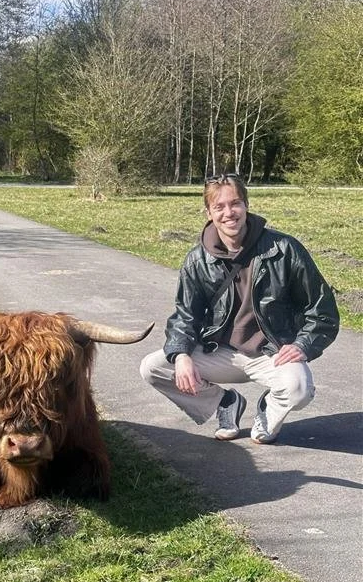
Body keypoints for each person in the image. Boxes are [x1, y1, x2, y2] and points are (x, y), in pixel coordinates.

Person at [140, 173, 340, 444]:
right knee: (153, 368)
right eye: (219, 206)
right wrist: (181, 355)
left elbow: (322, 311)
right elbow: (185, 316)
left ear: (246, 205)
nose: (229, 213)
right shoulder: (197, 260)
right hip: (218, 353)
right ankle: (225, 403)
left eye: (235, 203)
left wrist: (303, 345)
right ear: (208, 212)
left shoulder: (284, 250)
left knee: (299, 389)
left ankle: (268, 408)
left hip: (271, 353)